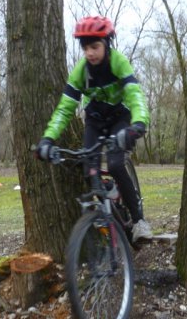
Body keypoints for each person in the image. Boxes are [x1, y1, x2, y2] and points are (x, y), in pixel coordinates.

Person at [36, 16, 152, 243]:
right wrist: (48, 139)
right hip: (95, 120)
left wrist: (138, 124)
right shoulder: (81, 71)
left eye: (95, 46)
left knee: (116, 164)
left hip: (120, 116)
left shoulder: (118, 62)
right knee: (89, 167)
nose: (90, 53)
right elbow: (64, 109)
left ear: (106, 44)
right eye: (86, 48)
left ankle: (139, 221)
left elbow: (135, 95)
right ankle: (106, 201)